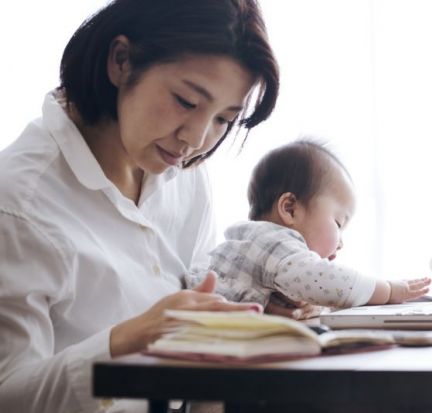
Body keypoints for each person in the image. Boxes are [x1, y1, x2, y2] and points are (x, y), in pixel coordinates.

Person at [0, 1, 281, 412]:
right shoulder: (18, 203)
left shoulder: (185, 176)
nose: (196, 139)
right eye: (186, 101)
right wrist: (125, 340)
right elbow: (8, 395)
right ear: (121, 61)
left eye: (223, 119)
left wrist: (253, 306)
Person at [186, 140, 432, 316]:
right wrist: (387, 290)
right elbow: (327, 280)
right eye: (338, 223)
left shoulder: (261, 249)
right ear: (290, 209)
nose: (341, 242)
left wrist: (313, 304)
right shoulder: (274, 242)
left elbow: (317, 288)